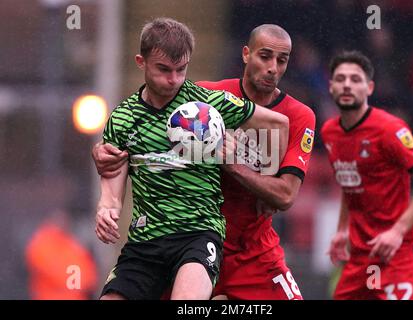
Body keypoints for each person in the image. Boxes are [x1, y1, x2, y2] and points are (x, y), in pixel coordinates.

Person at [93, 24, 315, 300]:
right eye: (265, 56)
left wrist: (243, 167)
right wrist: (100, 151)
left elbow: (285, 194)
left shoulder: (294, 114)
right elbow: (137, 139)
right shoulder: (199, 104)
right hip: (171, 236)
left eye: (281, 60)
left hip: (240, 246)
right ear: (246, 54)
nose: (273, 68)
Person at [321, 50, 413, 300]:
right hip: (363, 259)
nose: (347, 84)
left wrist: (397, 231)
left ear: (369, 88)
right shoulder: (329, 132)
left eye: (355, 79)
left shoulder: (390, 129)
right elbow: (350, 181)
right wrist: (342, 229)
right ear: (331, 86)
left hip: (399, 255)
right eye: (341, 78)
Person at [25, 208, 98, 300]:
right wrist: (77, 282)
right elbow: (51, 269)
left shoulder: (71, 244)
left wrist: (82, 282)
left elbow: (88, 276)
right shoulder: (42, 242)